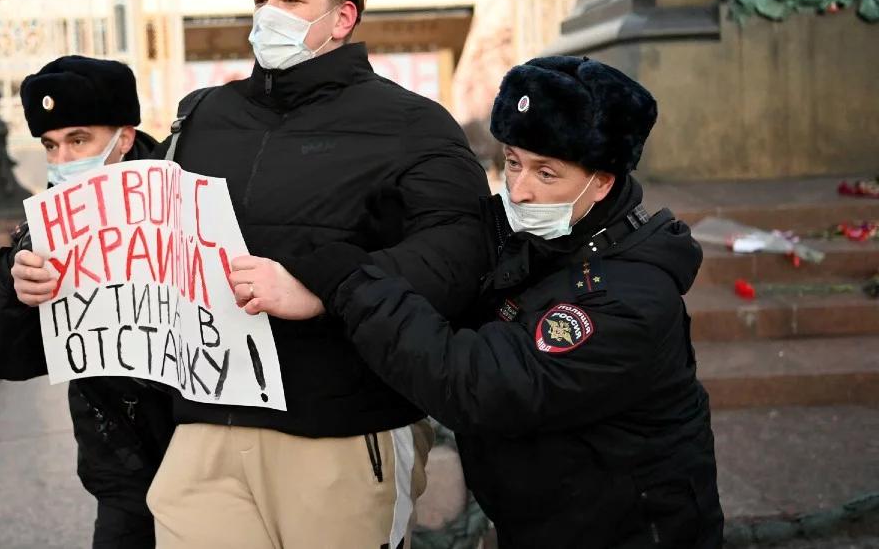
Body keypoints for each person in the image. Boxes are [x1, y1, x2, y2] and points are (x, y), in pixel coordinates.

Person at [273, 56, 723, 548]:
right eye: (512, 162)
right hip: (543, 522)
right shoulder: (537, 237)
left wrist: (350, 284)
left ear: (603, 181)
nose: (520, 190)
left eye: (546, 173)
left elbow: (475, 384)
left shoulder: (629, 298)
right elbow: (450, 244)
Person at [144, 0, 492, 548]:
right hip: (206, 428)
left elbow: (461, 252)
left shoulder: (412, 124)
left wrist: (325, 288)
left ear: (343, 16)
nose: (268, 14)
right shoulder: (202, 117)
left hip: (338, 429)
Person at [0, 56, 172, 549]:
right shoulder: (44, 230)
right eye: (51, 146)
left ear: (123, 138)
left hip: (201, 461)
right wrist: (14, 288)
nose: (62, 161)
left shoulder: (179, 201)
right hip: (120, 474)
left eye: (79, 141)